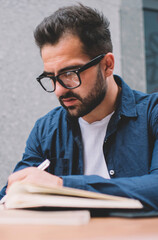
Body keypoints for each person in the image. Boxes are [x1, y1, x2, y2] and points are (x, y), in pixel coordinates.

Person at [0, 4, 158, 210]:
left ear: (107, 65)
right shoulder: (46, 130)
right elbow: (13, 193)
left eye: (69, 73)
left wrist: (62, 185)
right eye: (51, 77)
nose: (58, 90)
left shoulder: (152, 114)